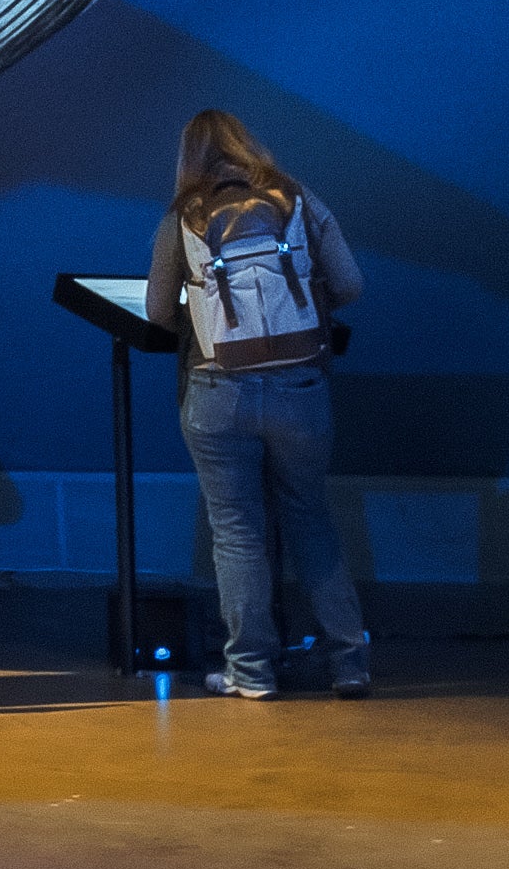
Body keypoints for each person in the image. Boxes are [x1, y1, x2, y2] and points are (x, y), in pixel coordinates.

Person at [148, 107, 370, 700]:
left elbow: (157, 313)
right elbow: (349, 285)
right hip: (301, 388)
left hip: (218, 392)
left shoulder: (184, 215)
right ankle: (349, 662)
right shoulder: (296, 198)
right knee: (311, 519)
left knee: (238, 532)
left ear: (189, 158)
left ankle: (252, 673)